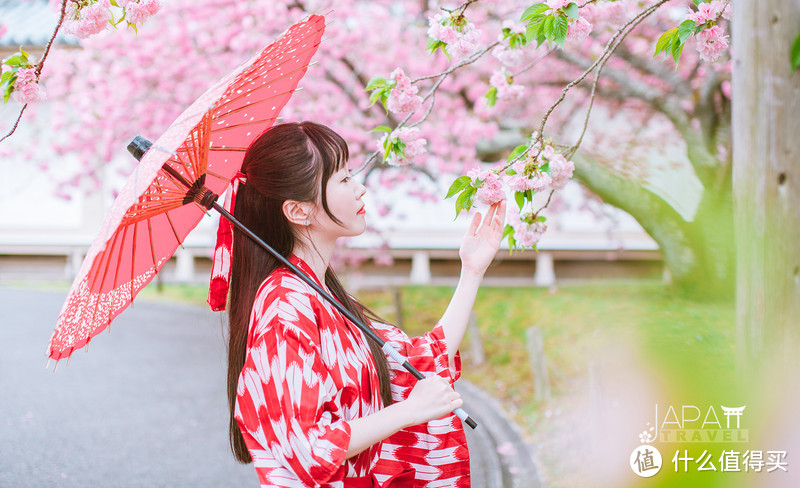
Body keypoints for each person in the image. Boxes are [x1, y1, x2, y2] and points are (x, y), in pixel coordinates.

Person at [208, 121, 506, 487]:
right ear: (298, 211)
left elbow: (415, 362)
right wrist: (410, 411)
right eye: (344, 179)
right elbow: (309, 449)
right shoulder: (286, 306)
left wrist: (472, 270)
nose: (361, 188)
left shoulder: (321, 294)